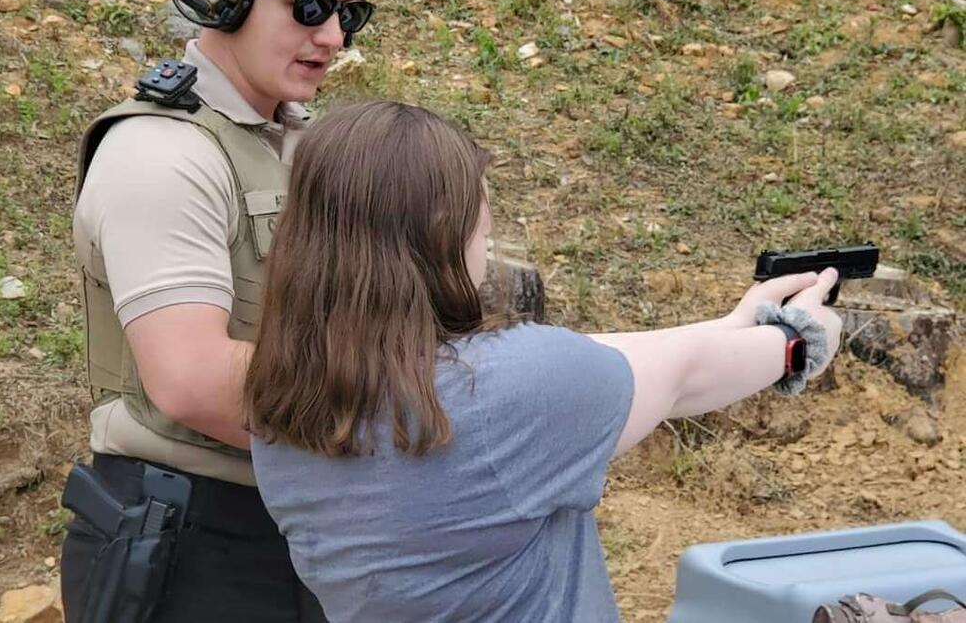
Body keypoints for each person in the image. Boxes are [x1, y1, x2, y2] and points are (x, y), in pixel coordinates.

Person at [245, 101, 844, 623]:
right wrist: (797, 341)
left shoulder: (284, 412)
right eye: (482, 233)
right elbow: (676, 377)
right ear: (439, 236)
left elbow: (592, 361)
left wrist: (729, 326)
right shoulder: (503, 398)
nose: (485, 250)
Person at [61, 0, 373, 621]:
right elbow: (194, 381)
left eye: (348, 14)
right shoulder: (163, 154)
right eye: (308, 7)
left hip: (289, 524)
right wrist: (390, 424)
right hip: (192, 540)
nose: (331, 37)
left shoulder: (298, 143)